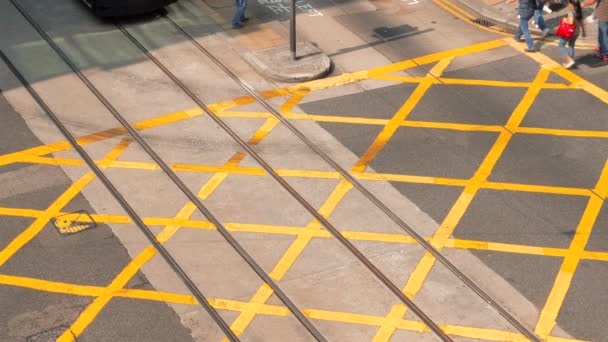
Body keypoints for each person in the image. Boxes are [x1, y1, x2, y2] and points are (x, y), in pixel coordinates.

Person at [557, 0, 585, 68]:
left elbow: (571, 22)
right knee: (571, 45)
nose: (568, 5)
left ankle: (568, 60)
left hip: (569, 32)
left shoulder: (571, 12)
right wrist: (584, 31)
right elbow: (582, 23)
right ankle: (570, 62)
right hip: (576, 32)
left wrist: (564, 20)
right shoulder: (579, 12)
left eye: (569, 3)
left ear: (572, 5)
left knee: (561, 45)